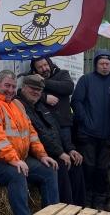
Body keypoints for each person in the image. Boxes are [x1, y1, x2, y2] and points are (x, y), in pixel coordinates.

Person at [0, 69, 59, 215]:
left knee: (49, 169)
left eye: (13, 86)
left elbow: (31, 133)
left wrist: (42, 155)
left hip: (14, 158)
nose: (10, 90)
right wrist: (14, 160)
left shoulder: (17, 104)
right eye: (7, 85)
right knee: (16, 174)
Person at [18, 74, 84, 206]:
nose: (36, 92)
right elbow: (40, 134)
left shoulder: (39, 105)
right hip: (35, 153)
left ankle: (79, 208)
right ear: (24, 88)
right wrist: (60, 153)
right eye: (32, 88)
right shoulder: (20, 105)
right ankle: (65, 210)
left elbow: (56, 128)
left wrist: (69, 149)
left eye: (39, 90)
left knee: (77, 164)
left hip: (52, 149)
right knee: (60, 165)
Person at [71, 50, 110, 209]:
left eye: (107, 64)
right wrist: (85, 121)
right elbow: (77, 102)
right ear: (96, 64)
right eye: (102, 64)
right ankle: (86, 202)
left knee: (103, 170)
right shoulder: (86, 80)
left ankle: (99, 202)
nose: (105, 67)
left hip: (107, 136)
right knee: (88, 168)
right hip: (88, 135)